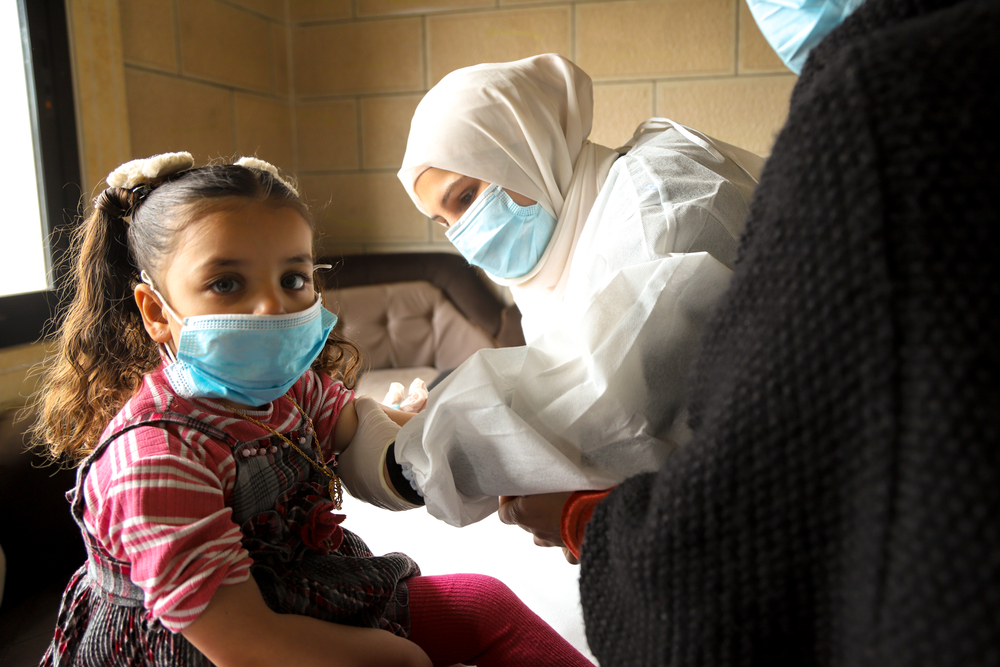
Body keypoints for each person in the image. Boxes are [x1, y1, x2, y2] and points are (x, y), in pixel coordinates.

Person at [500, 0, 1000, 663]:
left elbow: (751, 539)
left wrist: (579, 518)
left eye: (467, 196)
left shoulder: (880, 103)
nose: (465, 229)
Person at [30, 153, 593, 667]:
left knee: (483, 605)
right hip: (213, 644)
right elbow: (245, 645)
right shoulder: (156, 459)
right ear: (156, 311)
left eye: (294, 278)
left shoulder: (291, 389)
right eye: (227, 283)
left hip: (304, 590)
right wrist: (398, 658)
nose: (273, 306)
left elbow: (357, 431)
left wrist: (440, 438)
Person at [363, 54, 764, 526]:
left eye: (467, 197)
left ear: (528, 148)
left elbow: (611, 407)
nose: (467, 243)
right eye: (445, 223)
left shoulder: (659, 200)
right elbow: (560, 385)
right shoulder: (569, 243)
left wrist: (397, 454)